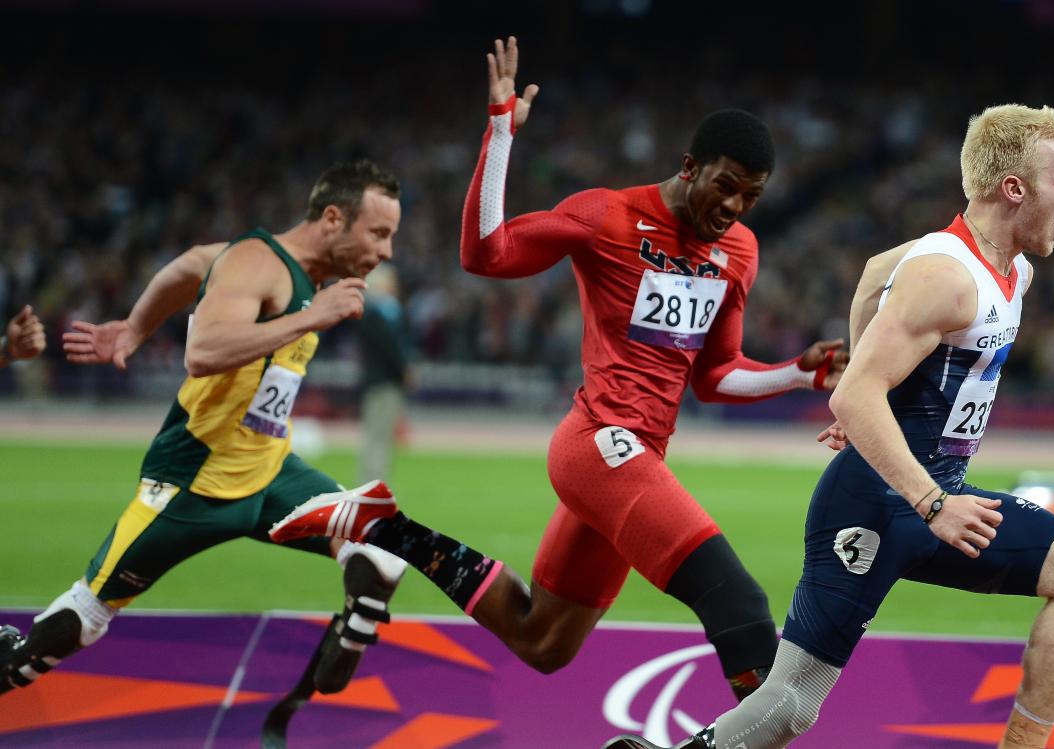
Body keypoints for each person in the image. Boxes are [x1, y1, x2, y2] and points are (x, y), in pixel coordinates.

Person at [270, 36, 847, 704]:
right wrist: (498, 133)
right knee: (740, 605)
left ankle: (388, 534)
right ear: (689, 167)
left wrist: (798, 375)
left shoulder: (739, 251)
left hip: (644, 457)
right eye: (724, 186)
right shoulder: (608, 215)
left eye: (750, 196)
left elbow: (714, 375)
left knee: (542, 640)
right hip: (599, 443)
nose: (733, 209)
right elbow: (486, 255)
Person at [605, 104, 1054, 749]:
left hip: (935, 499)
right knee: (789, 708)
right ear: (1014, 188)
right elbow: (852, 395)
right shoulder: (947, 277)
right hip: (880, 506)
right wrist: (924, 490)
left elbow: (874, 272)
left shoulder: (1008, 266)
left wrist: (889, 407)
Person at [0, 160, 410, 701]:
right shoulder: (258, 263)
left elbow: (193, 264)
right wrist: (311, 317)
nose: (385, 252)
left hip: (267, 471)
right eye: (378, 233)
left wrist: (135, 328)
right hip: (193, 480)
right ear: (333, 219)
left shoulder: (291, 272)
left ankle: (351, 630)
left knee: (381, 534)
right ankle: (13, 665)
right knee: (90, 612)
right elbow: (203, 352)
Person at [356, 262, 414, 485]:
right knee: (377, 436)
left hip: (379, 381)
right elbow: (391, 349)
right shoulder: (378, 314)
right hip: (382, 382)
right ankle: (372, 484)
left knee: (379, 436)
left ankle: (374, 483)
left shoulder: (380, 312)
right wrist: (404, 371)